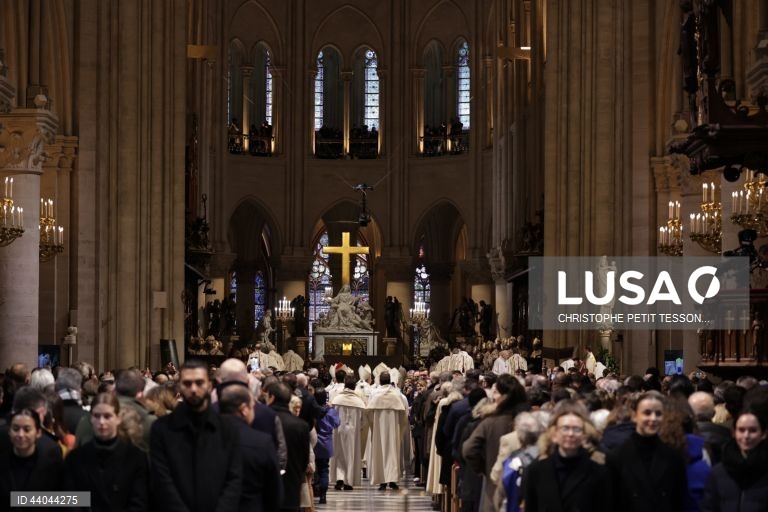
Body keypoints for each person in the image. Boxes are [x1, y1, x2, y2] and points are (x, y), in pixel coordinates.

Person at [149, 359, 242, 511]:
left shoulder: (228, 428)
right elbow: (162, 480)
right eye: (187, 383)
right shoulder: (161, 429)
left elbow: (234, 479)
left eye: (199, 383)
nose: (193, 389)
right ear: (179, 387)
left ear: (210, 386)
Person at [63, 393, 148, 511]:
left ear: (118, 418)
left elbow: (139, 502)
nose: (101, 422)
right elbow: (72, 501)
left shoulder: (135, 458)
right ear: (90, 418)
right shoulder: (75, 458)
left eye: (107, 416)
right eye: (96, 416)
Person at [521, 400, 610, 512]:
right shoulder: (536, 471)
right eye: (565, 428)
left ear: (584, 435)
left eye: (576, 429)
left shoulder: (599, 472)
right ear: (554, 434)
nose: (570, 434)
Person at [607, 390, 687, 512]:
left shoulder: (673, 457)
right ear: (634, 416)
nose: (653, 418)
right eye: (647, 413)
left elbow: (678, 502)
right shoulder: (617, 457)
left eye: (658, 414)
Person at [219, 383, 282, 512]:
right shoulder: (262, 442)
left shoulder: (204, 437)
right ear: (244, 409)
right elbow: (274, 490)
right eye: (253, 407)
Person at [700, 408, 768, 512]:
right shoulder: (719, 472)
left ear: (763, 434)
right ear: (734, 433)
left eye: (753, 430)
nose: (746, 436)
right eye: (741, 430)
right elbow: (708, 507)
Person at [267, 382, 310, 512]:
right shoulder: (301, 425)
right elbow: (304, 460)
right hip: (292, 485)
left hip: (267, 486)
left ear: (272, 397)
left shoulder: (263, 419)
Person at [0, 409, 62, 495]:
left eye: (27, 430)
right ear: (9, 431)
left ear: (38, 433)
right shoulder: (3, 461)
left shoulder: (52, 466)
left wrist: (23, 500)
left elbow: (66, 499)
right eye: (15, 429)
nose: (20, 435)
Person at [367, 371, 409, 491]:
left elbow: (368, 412)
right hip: (393, 428)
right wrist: (400, 427)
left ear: (379, 381)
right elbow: (404, 413)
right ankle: (393, 480)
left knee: (380, 452)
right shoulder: (397, 395)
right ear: (390, 380)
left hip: (379, 429)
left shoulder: (374, 394)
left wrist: (373, 425)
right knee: (392, 452)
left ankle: (382, 481)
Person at [330, 374, 367, 490]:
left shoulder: (337, 399)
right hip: (353, 431)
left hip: (339, 429)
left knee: (339, 453)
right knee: (351, 455)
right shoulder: (358, 401)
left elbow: (333, 415)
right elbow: (363, 420)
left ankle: (339, 479)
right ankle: (348, 481)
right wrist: (359, 427)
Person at [313, 388, 340, 504]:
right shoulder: (330, 411)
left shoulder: (312, 410)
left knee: (314, 469)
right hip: (326, 442)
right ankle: (323, 495)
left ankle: (314, 490)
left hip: (313, 442)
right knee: (324, 469)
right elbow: (337, 423)